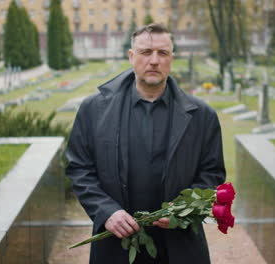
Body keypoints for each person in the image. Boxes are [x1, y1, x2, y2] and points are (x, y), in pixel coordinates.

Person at [66, 23, 226, 264]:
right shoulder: (93, 110)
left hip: (179, 244)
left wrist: (184, 209)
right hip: (115, 241)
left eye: (162, 53)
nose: (154, 60)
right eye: (145, 52)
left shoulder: (203, 116)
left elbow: (212, 173)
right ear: (131, 57)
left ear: (172, 58)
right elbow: (79, 168)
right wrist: (106, 211)